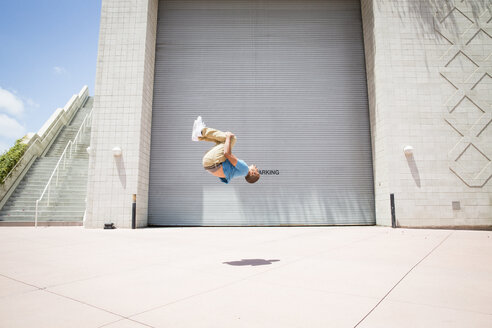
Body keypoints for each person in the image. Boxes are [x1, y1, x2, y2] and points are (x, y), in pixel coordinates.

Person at [191, 116, 260, 184]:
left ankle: (201, 131)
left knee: (232, 138)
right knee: (223, 141)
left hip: (212, 161)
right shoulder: (240, 172)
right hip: (209, 164)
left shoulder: (245, 169)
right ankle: (198, 136)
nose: (256, 167)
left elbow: (227, 154)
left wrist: (228, 137)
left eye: (257, 170)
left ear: (252, 173)